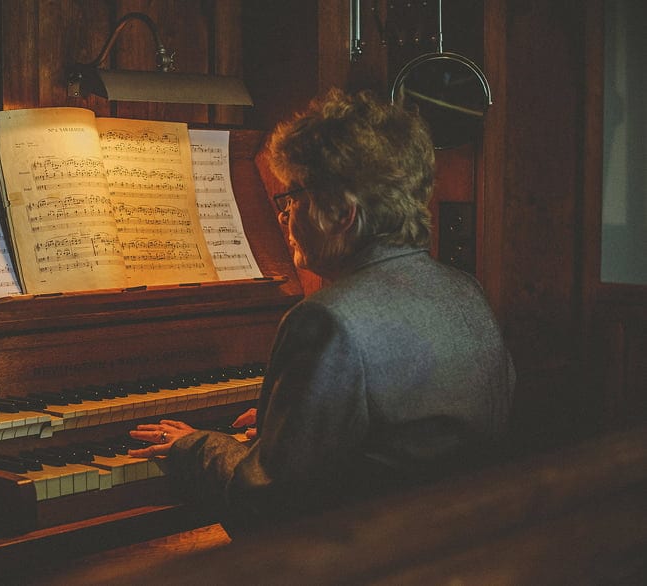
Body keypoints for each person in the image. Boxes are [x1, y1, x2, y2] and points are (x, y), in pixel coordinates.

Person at [129, 88, 515, 535]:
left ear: (342, 214)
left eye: (292, 198)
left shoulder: (328, 319)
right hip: (455, 539)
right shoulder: (463, 291)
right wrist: (299, 425)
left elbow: (268, 502)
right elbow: (408, 436)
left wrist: (195, 447)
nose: (284, 217)